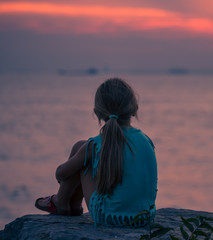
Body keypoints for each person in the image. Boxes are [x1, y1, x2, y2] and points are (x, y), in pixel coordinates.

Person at [35, 78, 158, 226]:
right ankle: (73, 206)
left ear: (97, 113)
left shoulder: (96, 144)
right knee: (82, 146)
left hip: (110, 217)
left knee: (83, 154)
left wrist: (66, 176)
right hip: (145, 217)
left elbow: (61, 173)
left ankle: (60, 201)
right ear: (135, 108)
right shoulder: (146, 140)